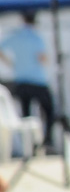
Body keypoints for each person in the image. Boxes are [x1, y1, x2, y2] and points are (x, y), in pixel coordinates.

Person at [0, 11, 55, 150]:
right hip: (38, 80)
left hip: (21, 81)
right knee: (49, 110)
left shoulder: (16, 35)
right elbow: (42, 58)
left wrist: (11, 63)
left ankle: (29, 146)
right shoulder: (36, 37)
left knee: (26, 114)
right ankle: (47, 140)